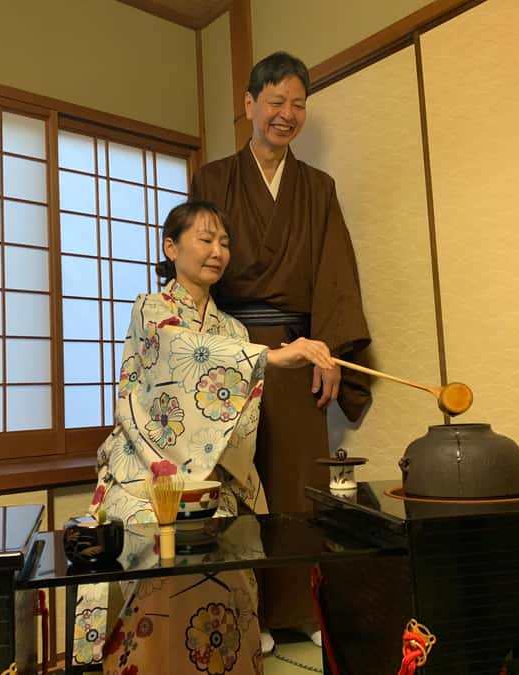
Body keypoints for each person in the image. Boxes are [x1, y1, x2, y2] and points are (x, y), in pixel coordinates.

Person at [72, 200, 337, 674]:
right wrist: (270, 358)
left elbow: (237, 415)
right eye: (205, 239)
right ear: (171, 248)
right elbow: (181, 351)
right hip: (144, 467)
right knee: (147, 542)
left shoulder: (231, 329)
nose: (217, 251)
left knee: (232, 541)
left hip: (208, 476)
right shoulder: (151, 309)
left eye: (224, 242)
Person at [190, 51, 372, 647]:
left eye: (297, 103)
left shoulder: (318, 187)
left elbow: (336, 275)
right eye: (274, 101)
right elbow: (195, 262)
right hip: (230, 347)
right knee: (236, 483)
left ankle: (301, 608)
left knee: (296, 482)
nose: (286, 114)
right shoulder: (215, 178)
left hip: (299, 347)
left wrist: (334, 358)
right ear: (249, 106)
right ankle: (247, 612)